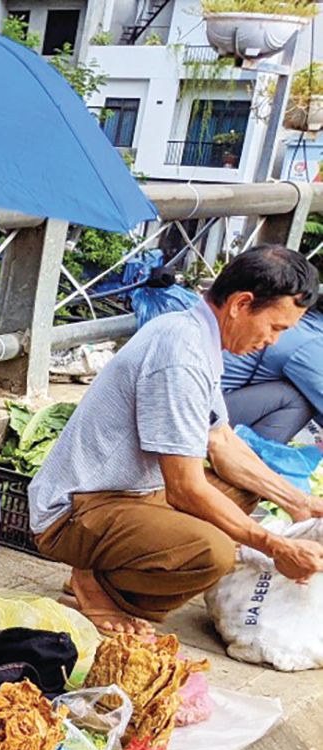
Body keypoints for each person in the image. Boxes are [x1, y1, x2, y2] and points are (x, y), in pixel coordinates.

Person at [29, 246, 323, 633]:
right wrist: (273, 545)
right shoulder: (180, 355)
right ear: (240, 304)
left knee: (246, 489)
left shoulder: (195, 335)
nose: (272, 340)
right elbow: (184, 488)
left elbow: (221, 444)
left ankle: (96, 573)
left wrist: (299, 503)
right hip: (73, 512)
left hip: (129, 497)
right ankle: (101, 592)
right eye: (275, 327)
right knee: (211, 553)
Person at [221, 304, 323, 443]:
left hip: (215, 399)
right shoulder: (311, 341)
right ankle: (248, 459)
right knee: (296, 398)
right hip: (204, 409)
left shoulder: (304, 324)